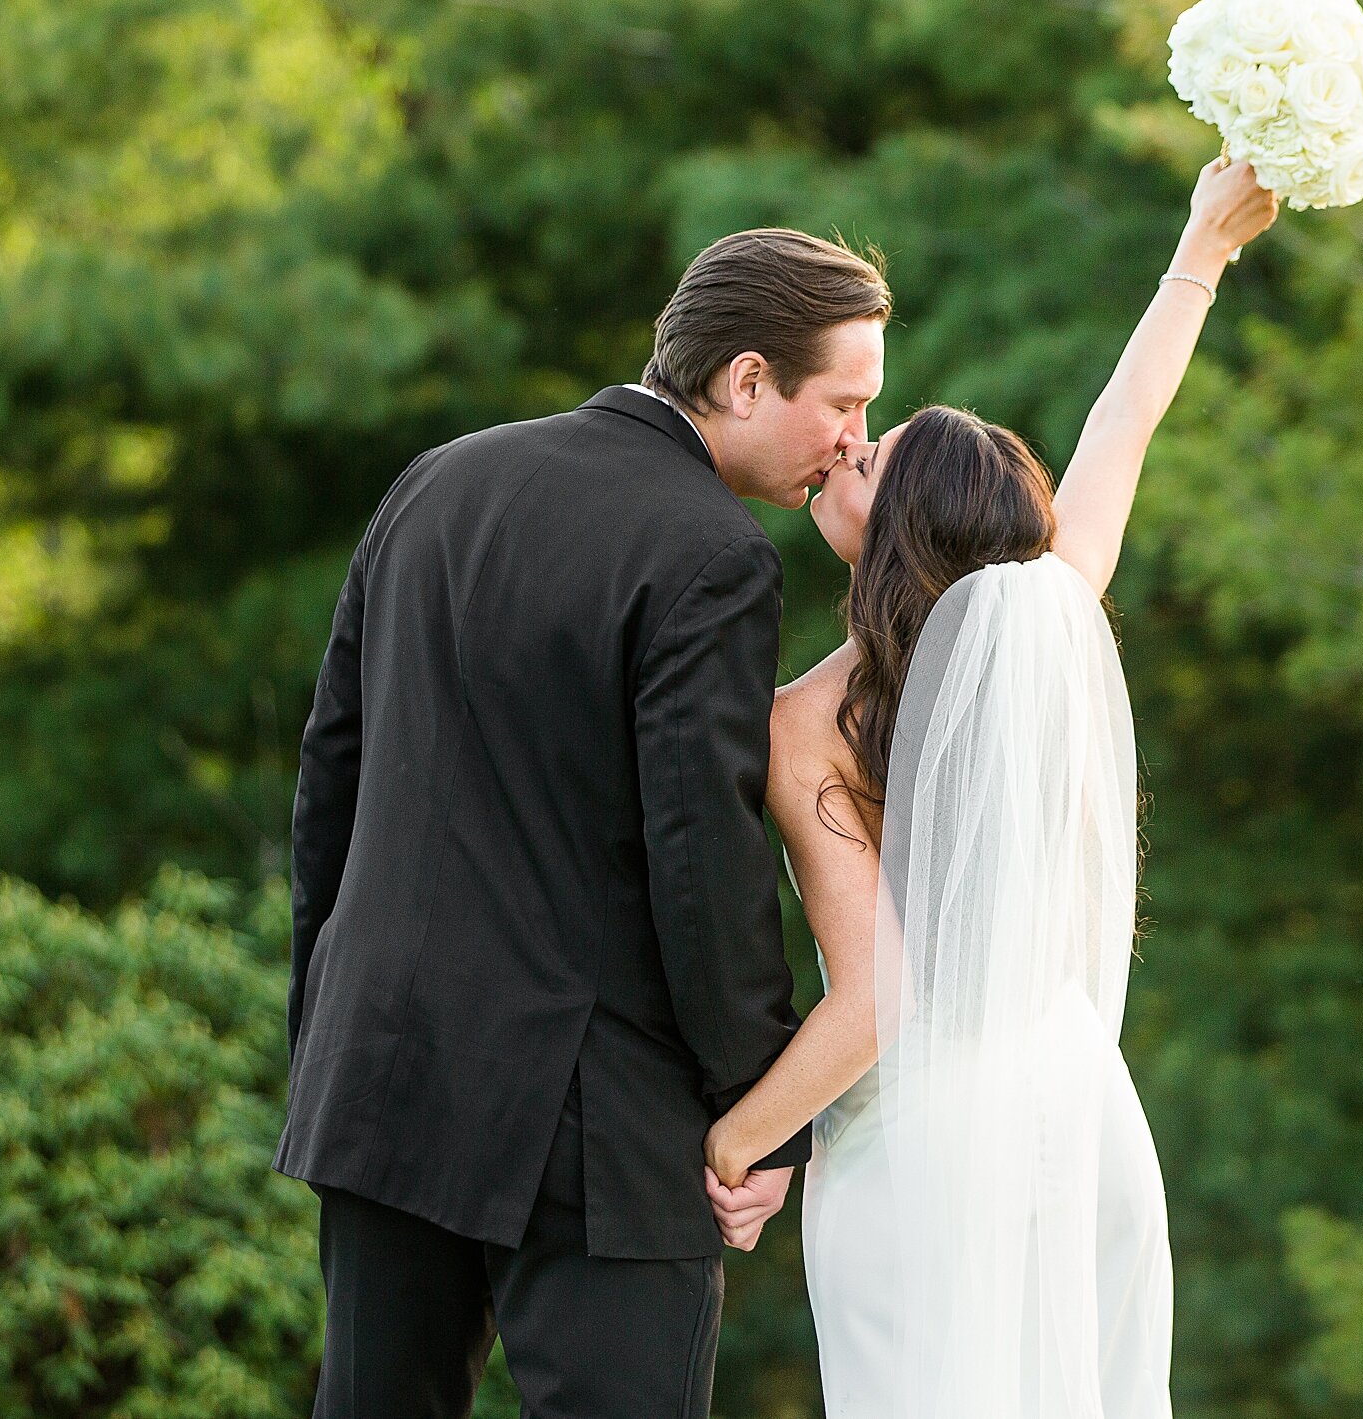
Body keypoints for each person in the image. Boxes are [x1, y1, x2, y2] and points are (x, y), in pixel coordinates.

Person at [275, 226, 889, 1419]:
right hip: (596, 1121)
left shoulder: (438, 477)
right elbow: (701, 859)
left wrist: (326, 1027)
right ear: (747, 377)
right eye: (845, 401)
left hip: (379, 1072)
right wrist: (757, 1112)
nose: (855, 439)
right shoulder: (712, 552)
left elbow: (329, 779)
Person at [702, 155, 1281, 1415]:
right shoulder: (1053, 604)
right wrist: (1202, 248)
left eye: (870, 454)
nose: (846, 446)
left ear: (894, 525)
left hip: (926, 1154)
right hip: (1083, 1121)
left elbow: (879, 998)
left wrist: (739, 1142)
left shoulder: (807, 725)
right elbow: (1124, 424)